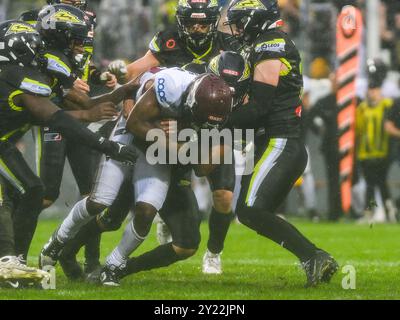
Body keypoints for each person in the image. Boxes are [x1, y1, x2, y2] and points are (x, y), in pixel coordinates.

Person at [0, 19, 136, 287]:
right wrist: (108, 145)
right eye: (35, 50)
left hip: (3, 141)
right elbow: (57, 120)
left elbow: (55, 114)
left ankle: (14, 263)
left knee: (31, 190)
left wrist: (115, 95)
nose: (39, 56)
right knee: (16, 195)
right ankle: (7, 262)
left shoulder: (15, 74)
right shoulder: (18, 78)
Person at [223, 0, 338, 287]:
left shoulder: (271, 43)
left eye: (239, 23)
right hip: (273, 142)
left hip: (281, 141)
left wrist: (219, 121)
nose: (236, 30)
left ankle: (315, 257)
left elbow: (259, 106)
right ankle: (313, 258)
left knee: (250, 210)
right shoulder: (262, 44)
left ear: (253, 20)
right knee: (249, 213)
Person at [356, 59, 397, 223]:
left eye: (375, 89)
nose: (372, 92)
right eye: (370, 89)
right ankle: (370, 213)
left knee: (380, 183)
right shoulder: (362, 108)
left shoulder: (387, 105)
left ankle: (388, 210)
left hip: (382, 151)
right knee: (370, 184)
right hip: (366, 152)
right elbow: (358, 129)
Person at [306, 74, 343, 221]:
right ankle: (335, 211)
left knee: (352, 180)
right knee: (333, 180)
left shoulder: (350, 100)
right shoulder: (326, 101)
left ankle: (351, 208)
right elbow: (309, 118)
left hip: (348, 147)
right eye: (334, 81)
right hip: (331, 146)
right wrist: (319, 130)